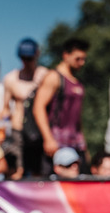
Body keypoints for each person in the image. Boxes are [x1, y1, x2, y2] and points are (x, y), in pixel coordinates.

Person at [30, 37, 89, 177]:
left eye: (84, 59)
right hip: (56, 142)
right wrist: (48, 138)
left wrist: (84, 146)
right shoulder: (54, 77)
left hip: (76, 143)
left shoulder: (78, 82)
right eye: (78, 59)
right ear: (66, 55)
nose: (82, 63)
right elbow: (38, 108)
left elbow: (77, 119)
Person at [2, 38, 49, 180]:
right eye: (24, 58)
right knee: (17, 172)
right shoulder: (11, 79)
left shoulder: (45, 75)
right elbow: (5, 109)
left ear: (37, 55)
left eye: (30, 58)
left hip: (39, 131)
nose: (27, 61)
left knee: (39, 172)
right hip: (18, 131)